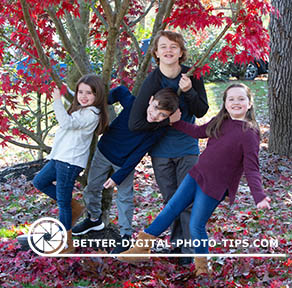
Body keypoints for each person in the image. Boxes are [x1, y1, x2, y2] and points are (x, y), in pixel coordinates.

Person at [120, 83, 271, 276]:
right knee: (171, 208)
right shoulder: (220, 120)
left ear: (249, 104)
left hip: (214, 186)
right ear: (224, 103)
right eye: (231, 99)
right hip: (197, 174)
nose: (236, 102)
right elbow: (198, 132)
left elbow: (252, 168)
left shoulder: (249, 133)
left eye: (241, 99)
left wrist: (258, 195)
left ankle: (202, 269)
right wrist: (176, 122)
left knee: (196, 225)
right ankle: (141, 249)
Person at [128, 30, 208, 265]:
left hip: (187, 148)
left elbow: (202, 110)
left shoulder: (191, 75)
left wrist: (189, 91)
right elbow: (136, 123)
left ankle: (191, 254)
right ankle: (178, 248)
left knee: (189, 202)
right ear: (156, 52)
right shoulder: (152, 81)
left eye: (174, 46)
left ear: (181, 52)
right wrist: (168, 121)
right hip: (161, 151)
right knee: (171, 201)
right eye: (163, 46)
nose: (168, 50)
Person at [71, 86, 179, 254]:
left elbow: (139, 153)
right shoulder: (134, 105)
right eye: (155, 108)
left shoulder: (159, 128)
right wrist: (103, 101)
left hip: (125, 163)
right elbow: (121, 90)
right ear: (150, 100)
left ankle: (125, 237)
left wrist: (118, 177)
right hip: (104, 152)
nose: (156, 115)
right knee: (92, 187)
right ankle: (93, 218)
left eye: (163, 115)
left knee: (125, 198)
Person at [32, 74, 109, 254]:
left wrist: (57, 100)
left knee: (62, 204)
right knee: (39, 182)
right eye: (80, 92)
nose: (83, 96)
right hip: (59, 158)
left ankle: (67, 244)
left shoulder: (92, 114)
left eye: (89, 93)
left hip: (70, 162)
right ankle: (75, 207)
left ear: (97, 95)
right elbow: (75, 100)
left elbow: (66, 123)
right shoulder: (82, 108)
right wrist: (65, 88)